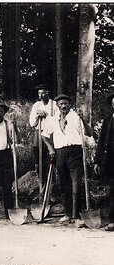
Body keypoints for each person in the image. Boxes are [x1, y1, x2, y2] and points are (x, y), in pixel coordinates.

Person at [41, 94, 92, 228]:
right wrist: (51, 148)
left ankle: (76, 216)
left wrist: (84, 119)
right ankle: (68, 214)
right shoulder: (52, 120)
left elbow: (89, 132)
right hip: (60, 153)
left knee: (76, 185)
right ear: (57, 105)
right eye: (61, 104)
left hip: (75, 152)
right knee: (64, 185)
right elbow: (44, 136)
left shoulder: (76, 117)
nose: (63, 106)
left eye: (66, 103)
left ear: (70, 105)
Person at [29, 84, 59, 191]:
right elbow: (32, 123)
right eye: (39, 93)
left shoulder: (54, 105)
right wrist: (38, 116)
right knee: (39, 159)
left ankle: (54, 187)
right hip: (39, 133)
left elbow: (58, 119)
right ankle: (42, 185)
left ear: (47, 93)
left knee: (52, 158)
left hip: (51, 134)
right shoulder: (36, 105)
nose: (40, 95)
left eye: (43, 93)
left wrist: (47, 116)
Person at [94, 93, 114, 231]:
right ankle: (112, 221)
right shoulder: (108, 119)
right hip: (110, 161)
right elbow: (101, 142)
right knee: (112, 190)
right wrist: (97, 161)